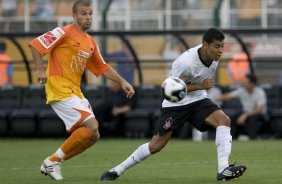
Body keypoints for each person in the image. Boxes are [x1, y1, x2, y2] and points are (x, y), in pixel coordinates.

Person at [100, 28, 247, 182]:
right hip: (176, 104)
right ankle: (116, 170)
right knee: (156, 145)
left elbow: (200, 84)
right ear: (205, 45)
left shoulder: (215, 59)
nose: (220, 50)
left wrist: (199, 88)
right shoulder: (185, 62)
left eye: (222, 46)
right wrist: (199, 86)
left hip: (198, 100)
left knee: (224, 120)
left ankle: (223, 169)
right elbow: (169, 89)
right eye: (217, 46)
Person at [29, 0, 134, 180]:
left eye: (90, 14)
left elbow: (102, 67)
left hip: (74, 90)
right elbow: (36, 45)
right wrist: (39, 69)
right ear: (74, 16)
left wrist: (122, 81)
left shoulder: (90, 41)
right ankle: (52, 161)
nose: (88, 17)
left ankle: (54, 162)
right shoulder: (63, 32)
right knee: (91, 125)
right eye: (84, 14)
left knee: (94, 136)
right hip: (58, 86)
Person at [216, 74, 267, 140]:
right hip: (245, 114)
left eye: (245, 82)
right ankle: (231, 139)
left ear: (252, 83)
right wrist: (214, 99)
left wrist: (245, 115)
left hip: (259, 115)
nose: (243, 83)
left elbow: (259, 110)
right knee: (231, 118)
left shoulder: (260, 92)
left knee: (252, 119)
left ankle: (252, 139)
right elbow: (228, 96)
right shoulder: (242, 91)